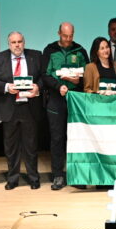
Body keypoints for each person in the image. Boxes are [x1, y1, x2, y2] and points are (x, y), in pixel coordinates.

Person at [0, 31, 44, 189]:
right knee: (11, 148)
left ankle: (34, 178)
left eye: (20, 41)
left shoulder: (35, 55)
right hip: (9, 108)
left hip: (29, 107)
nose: (17, 45)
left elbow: (43, 77)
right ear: (9, 44)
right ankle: (12, 179)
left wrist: (37, 87)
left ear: (24, 42)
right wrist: (7, 87)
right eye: (13, 42)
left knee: (31, 146)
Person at [41, 22, 89, 190]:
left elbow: (88, 74)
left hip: (75, 99)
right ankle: (58, 176)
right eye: (65, 36)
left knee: (76, 138)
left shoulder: (80, 50)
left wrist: (79, 80)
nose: (68, 40)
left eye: (71, 36)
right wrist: (57, 86)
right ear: (58, 33)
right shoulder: (50, 50)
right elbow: (44, 74)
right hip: (55, 98)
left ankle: (77, 176)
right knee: (57, 138)